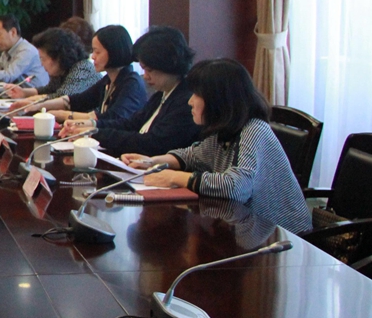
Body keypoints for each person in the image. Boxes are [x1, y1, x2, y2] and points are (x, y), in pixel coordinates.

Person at [124, 59, 312, 234]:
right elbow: (193, 155)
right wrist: (152, 161)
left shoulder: (254, 130)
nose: (190, 101)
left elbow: (237, 187)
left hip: (282, 234)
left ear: (218, 99)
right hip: (243, 227)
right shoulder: (225, 130)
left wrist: (174, 177)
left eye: (196, 95)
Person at [60, 25, 199, 156]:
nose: (145, 76)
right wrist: (92, 126)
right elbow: (130, 124)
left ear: (168, 64)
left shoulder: (185, 101)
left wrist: (96, 134)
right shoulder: (162, 94)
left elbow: (152, 143)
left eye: (149, 70)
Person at [20, 24, 147, 123]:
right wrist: (39, 106)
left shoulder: (131, 83)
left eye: (97, 52)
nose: (93, 56)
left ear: (114, 51)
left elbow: (112, 118)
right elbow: (78, 100)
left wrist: (64, 115)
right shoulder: (108, 80)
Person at [3, 28, 100, 107]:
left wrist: (31, 101)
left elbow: (62, 98)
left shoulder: (82, 68)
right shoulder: (61, 70)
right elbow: (49, 89)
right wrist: (23, 92)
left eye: (43, 59)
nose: (41, 64)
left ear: (58, 57)